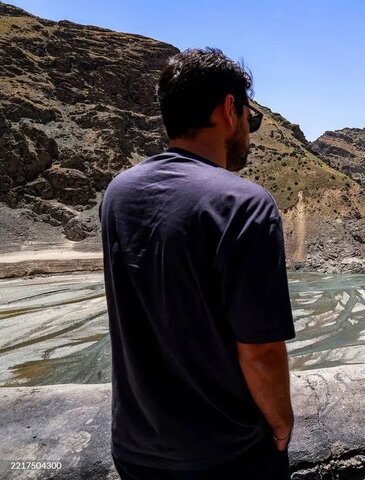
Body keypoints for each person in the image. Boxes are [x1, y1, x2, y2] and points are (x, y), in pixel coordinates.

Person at [99, 47, 296, 479]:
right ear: (228, 110)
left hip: (135, 451)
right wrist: (282, 424)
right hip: (227, 456)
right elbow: (260, 350)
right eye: (250, 118)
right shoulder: (244, 204)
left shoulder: (118, 193)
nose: (249, 132)